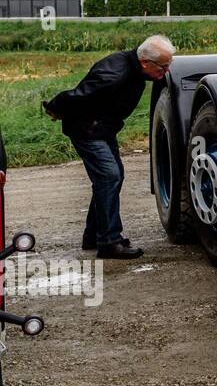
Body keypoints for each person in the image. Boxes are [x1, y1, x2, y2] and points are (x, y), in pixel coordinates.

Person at [43, 35, 175, 259]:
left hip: (102, 128)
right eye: (163, 67)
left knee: (113, 176)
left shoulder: (133, 67)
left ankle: (93, 235)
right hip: (87, 130)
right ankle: (109, 241)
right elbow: (79, 95)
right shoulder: (115, 75)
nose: (166, 72)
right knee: (109, 176)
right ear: (145, 62)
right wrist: (55, 107)